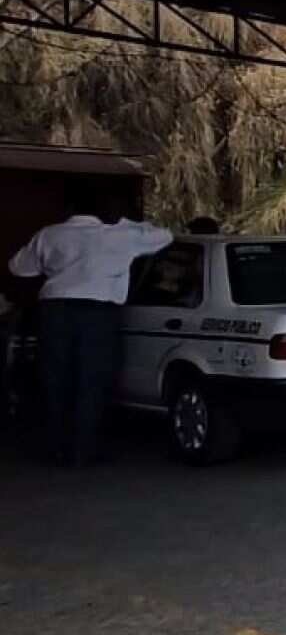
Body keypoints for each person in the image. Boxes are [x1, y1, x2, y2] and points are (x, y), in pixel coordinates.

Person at [7, 188, 172, 465]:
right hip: (98, 314)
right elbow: (165, 236)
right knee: (91, 380)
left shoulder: (49, 234)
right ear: (105, 212)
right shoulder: (121, 235)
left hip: (55, 311)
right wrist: (125, 222)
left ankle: (55, 447)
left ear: (69, 209)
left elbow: (18, 267)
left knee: (55, 378)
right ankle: (82, 450)